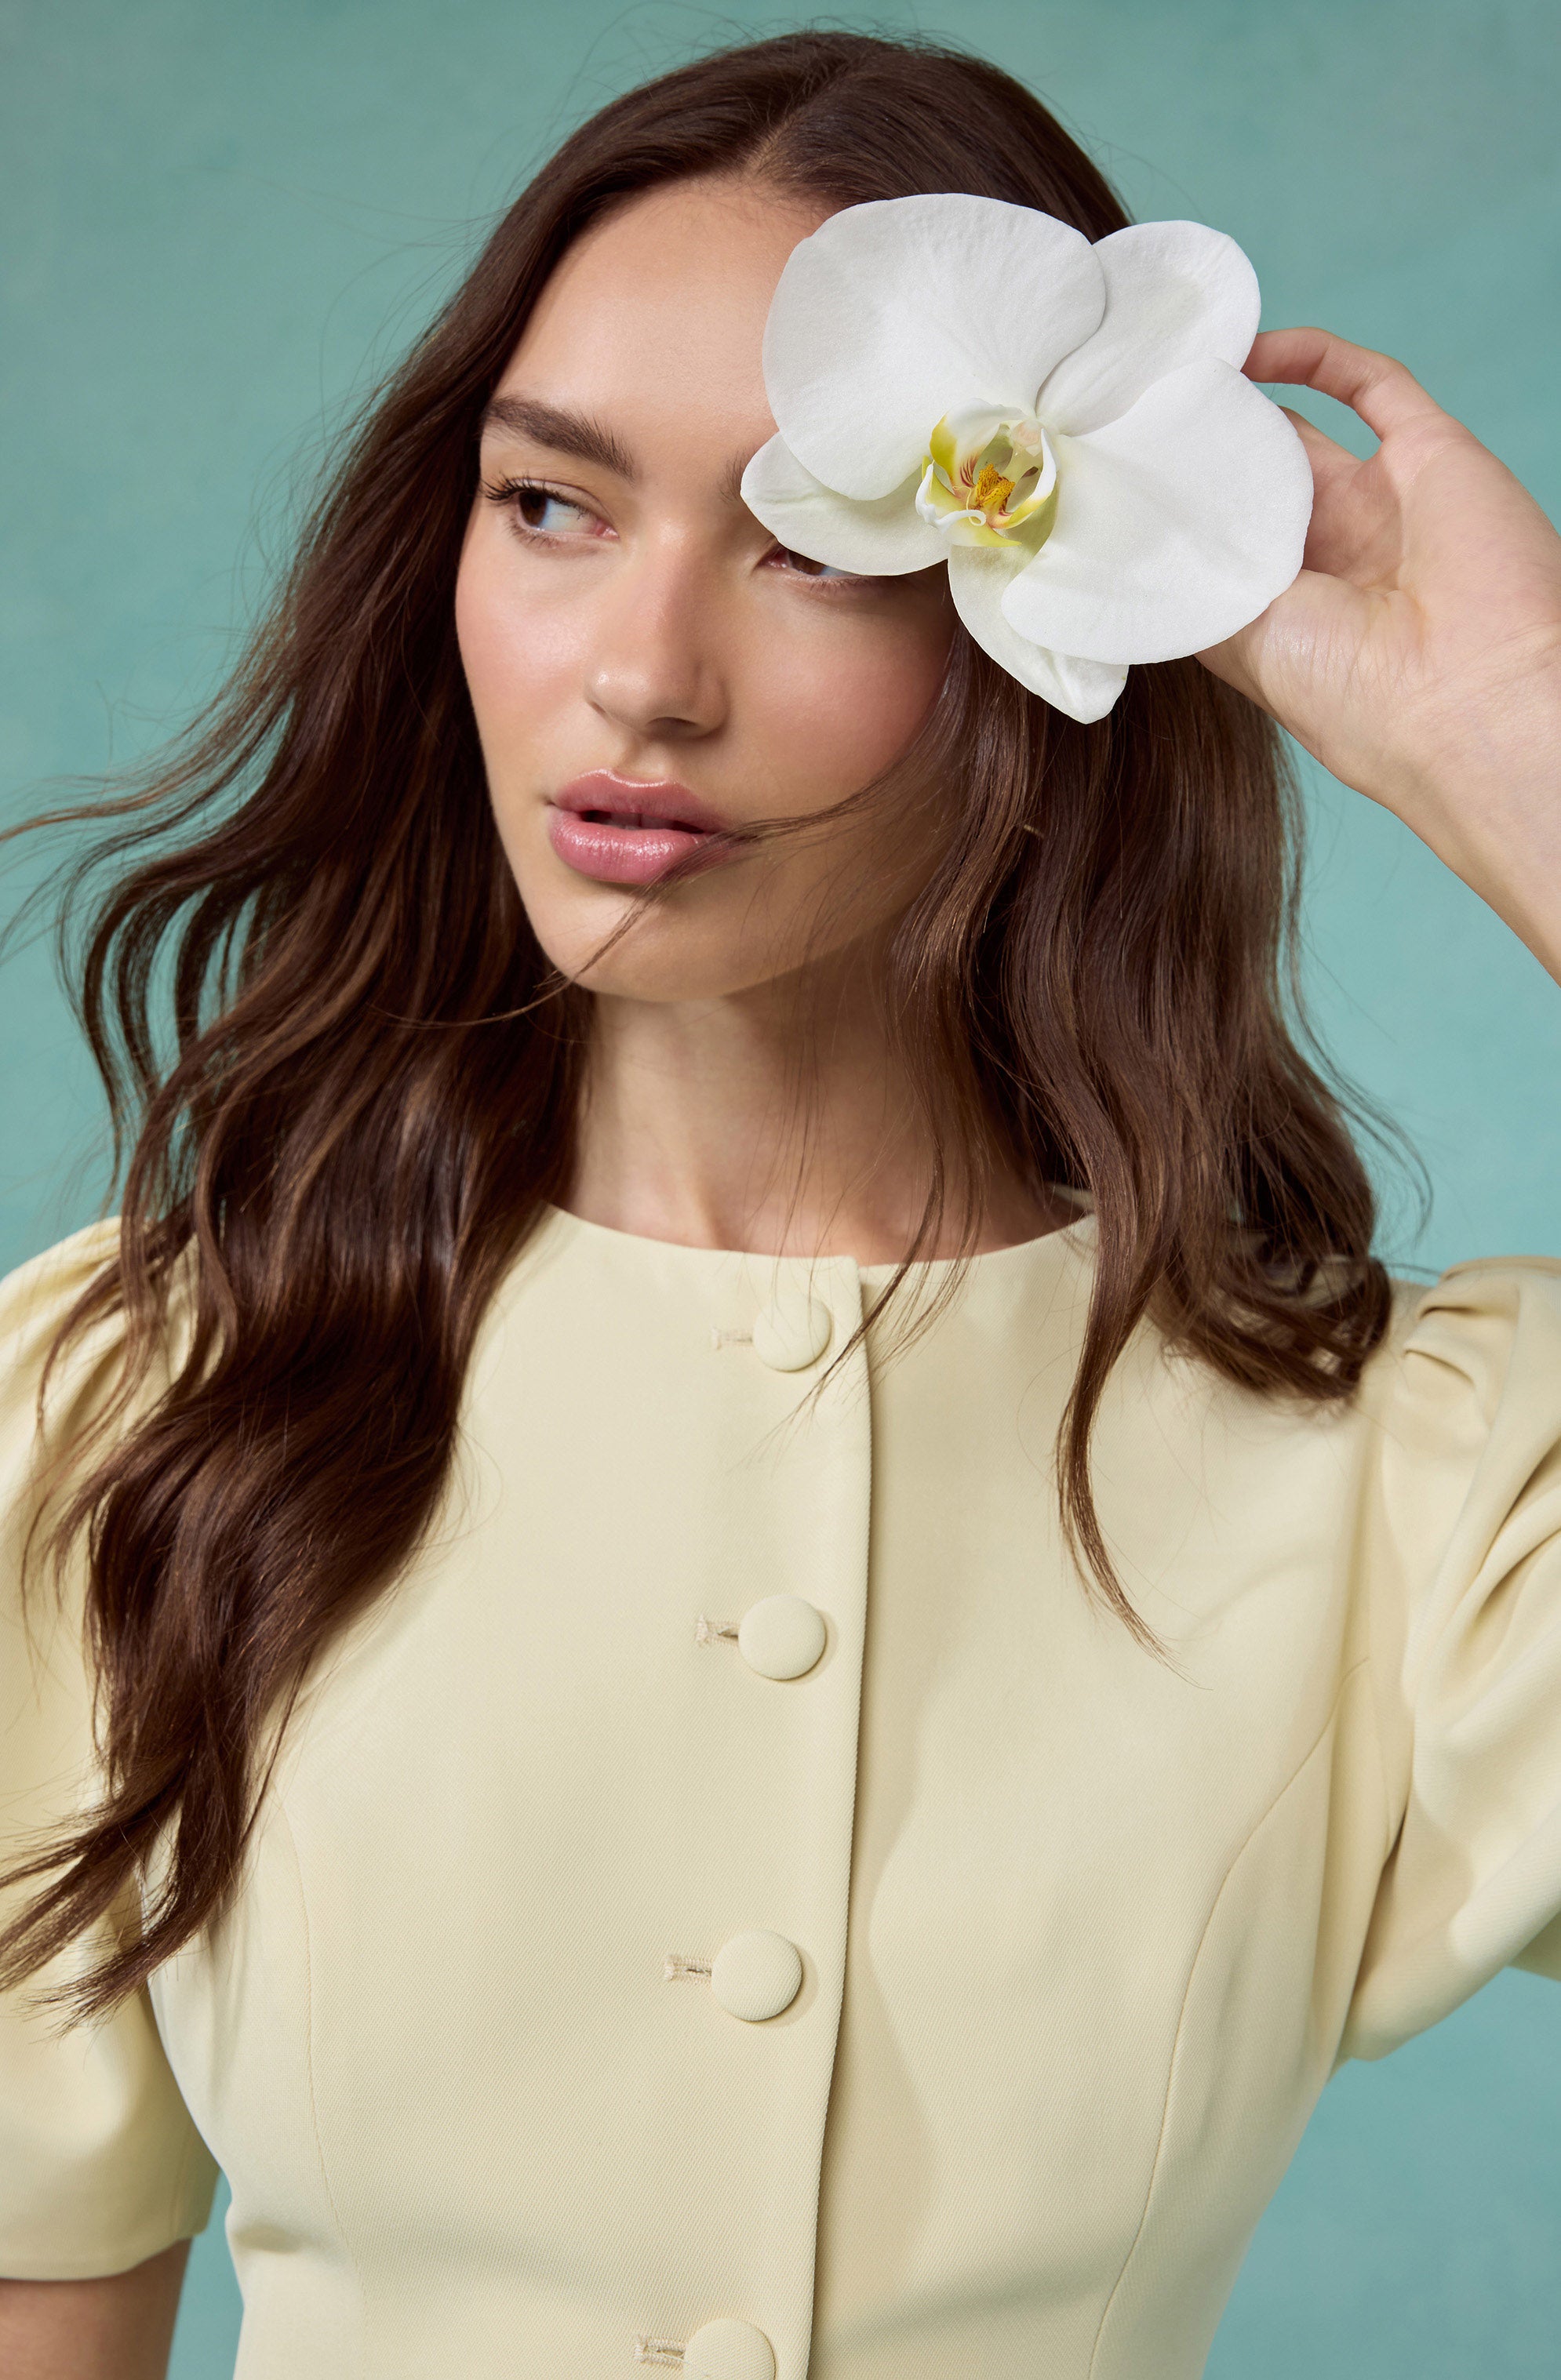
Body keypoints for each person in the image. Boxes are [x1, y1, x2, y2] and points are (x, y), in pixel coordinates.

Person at [2, 29, 1558, 2380]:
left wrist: (1520, 740)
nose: (637, 674)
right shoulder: (146, 1406)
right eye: (552, 504)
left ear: (1050, 634)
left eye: (825, 544)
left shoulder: (1397, 1480)